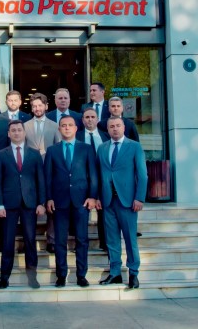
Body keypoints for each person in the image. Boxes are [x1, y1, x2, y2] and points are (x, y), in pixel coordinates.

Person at [44, 116, 97, 288]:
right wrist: (48, 198)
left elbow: (93, 175)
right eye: (63, 125)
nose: (67, 128)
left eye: (70, 125)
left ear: (76, 128)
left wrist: (92, 196)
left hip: (81, 201)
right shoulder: (52, 150)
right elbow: (47, 177)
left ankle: (81, 275)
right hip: (59, 202)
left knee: (82, 239)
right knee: (60, 241)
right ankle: (61, 275)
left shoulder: (86, 149)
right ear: (59, 129)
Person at [96, 116, 147, 289]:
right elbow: (99, 175)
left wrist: (139, 198)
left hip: (128, 201)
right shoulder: (102, 148)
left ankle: (133, 273)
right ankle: (115, 272)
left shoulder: (134, 146)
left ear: (124, 127)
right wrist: (98, 197)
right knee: (111, 240)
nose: (115, 129)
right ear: (107, 129)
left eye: (118, 125)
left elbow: (142, 175)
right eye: (111, 126)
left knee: (130, 239)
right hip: (108, 201)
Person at [0, 120, 46, 289]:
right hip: (8, 204)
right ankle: (4, 277)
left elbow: (40, 180)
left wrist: (41, 202)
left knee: (30, 240)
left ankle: (32, 276)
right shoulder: (1, 154)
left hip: (29, 203)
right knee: (7, 241)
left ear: (24, 133)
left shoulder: (34, 154)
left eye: (19, 130)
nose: (16, 133)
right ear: (8, 134)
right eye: (13, 130)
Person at [23, 92, 60, 253]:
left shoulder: (55, 125)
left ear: (46, 106)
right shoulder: (25, 126)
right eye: (34, 106)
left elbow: (58, 148)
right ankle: (28, 240)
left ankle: (51, 239)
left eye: (40, 105)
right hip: (30, 172)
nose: (37, 108)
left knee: (51, 205)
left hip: (50, 170)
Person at [76, 106, 111, 252]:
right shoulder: (76, 136)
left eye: (92, 117)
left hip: (103, 180)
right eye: (87, 117)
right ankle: (80, 244)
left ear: (97, 119)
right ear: (82, 120)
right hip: (83, 180)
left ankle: (105, 243)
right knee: (81, 213)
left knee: (104, 212)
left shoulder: (106, 136)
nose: (90, 120)